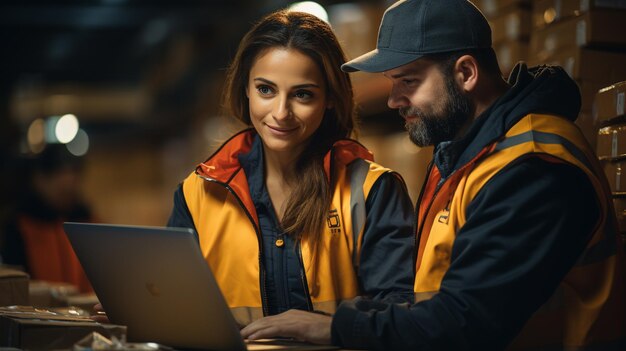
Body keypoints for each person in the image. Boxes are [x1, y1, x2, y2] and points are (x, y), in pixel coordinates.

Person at [240, 0, 626, 350]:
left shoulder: (534, 168)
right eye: (392, 83)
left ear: (466, 73)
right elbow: (432, 298)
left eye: (408, 81)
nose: (393, 100)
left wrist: (333, 328)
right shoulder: (464, 155)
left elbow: (465, 323)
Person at [166, 10, 415, 327]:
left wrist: (330, 327)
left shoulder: (373, 191)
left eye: (302, 94)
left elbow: (402, 312)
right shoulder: (197, 194)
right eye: (266, 90)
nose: (281, 113)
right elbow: (175, 308)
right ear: (245, 88)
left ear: (329, 99)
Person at [0, 144, 93, 293]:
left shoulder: (88, 220)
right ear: (39, 179)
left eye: (74, 173)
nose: (69, 182)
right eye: (59, 174)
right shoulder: (21, 224)